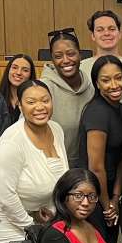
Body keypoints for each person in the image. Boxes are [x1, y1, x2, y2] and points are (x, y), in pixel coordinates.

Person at [0, 79, 67, 243]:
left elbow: (58, 178)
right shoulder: (12, 140)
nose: (40, 107)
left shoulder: (56, 129)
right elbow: (7, 195)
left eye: (45, 100)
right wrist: (30, 227)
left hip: (34, 215)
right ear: (20, 106)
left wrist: (51, 212)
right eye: (31, 102)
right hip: (2, 216)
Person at [75, 55, 122, 243]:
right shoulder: (97, 111)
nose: (114, 85)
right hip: (91, 195)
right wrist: (106, 205)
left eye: (118, 78)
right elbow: (96, 166)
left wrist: (116, 196)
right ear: (97, 83)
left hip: (110, 192)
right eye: (106, 80)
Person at [41, 28, 95, 161]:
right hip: (53, 167)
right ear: (52, 59)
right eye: (58, 56)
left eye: (71, 54)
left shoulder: (92, 87)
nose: (65, 60)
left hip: (87, 167)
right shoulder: (42, 89)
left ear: (80, 55)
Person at [80, 10, 122, 97]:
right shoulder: (81, 68)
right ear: (93, 35)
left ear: (119, 34)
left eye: (112, 29)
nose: (107, 33)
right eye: (100, 30)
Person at [0, 53, 35, 124]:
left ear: (30, 75)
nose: (18, 72)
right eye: (14, 68)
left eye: (25, 70)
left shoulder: (35, 101)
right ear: (8, 70)